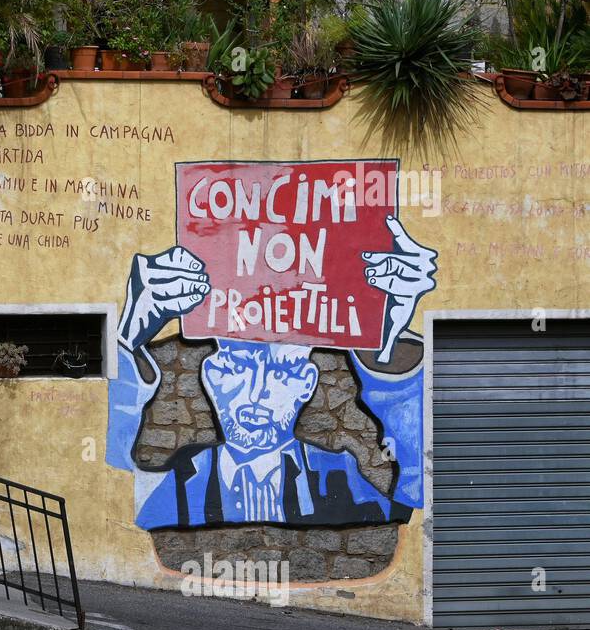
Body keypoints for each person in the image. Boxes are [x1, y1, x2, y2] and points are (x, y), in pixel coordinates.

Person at [106, 218, 435, 530]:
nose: (257, 393)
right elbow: (113, 500)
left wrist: (388, 342)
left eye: (282, 371)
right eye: (239, 365)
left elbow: (416, 504)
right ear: (212, 375)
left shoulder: (343, 478)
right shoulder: (171, 485)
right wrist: (128, 337)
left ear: (307, 384)